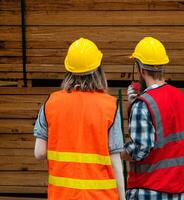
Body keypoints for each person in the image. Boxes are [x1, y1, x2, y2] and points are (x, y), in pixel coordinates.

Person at [33, 38, 125, 200]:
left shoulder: (51, 103)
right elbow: (115, 161)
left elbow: (39, 153)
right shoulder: (110, 106)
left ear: (69, 70)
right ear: (98, 69)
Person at [121, 37, 184, 200]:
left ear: (140, 69)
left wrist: (119, 153)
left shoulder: (143, 105)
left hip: (148, 189)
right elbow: (166, 121)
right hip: (177, 191)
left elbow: (140, 149)